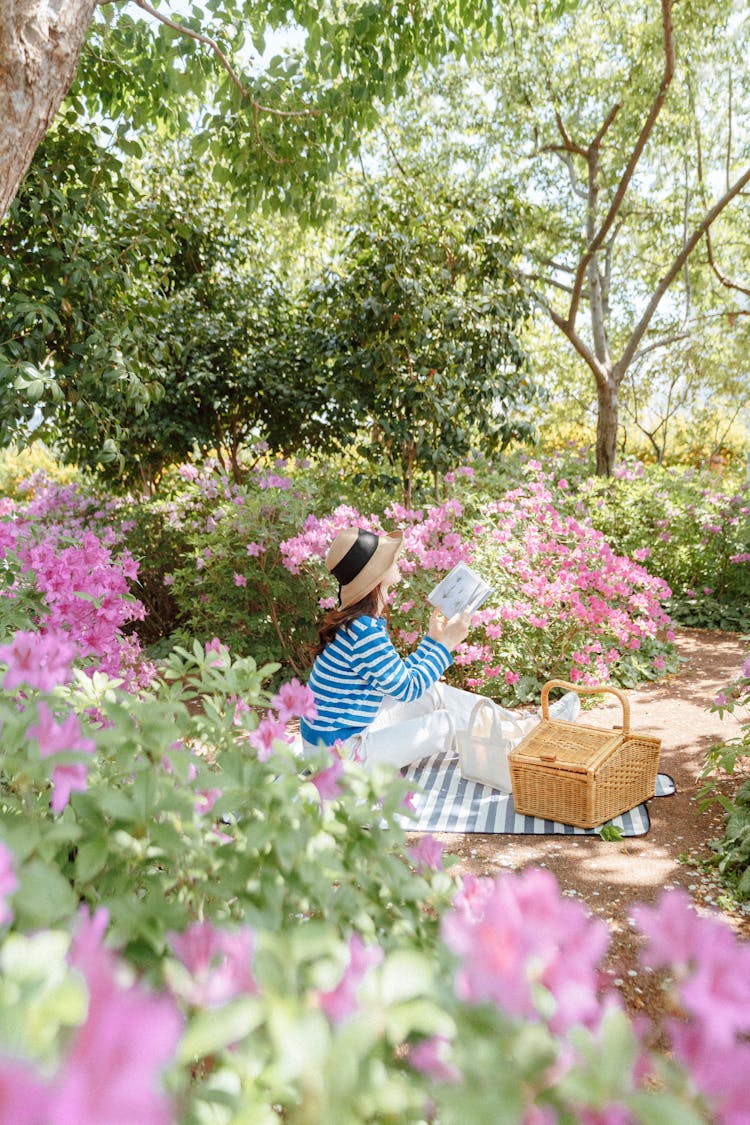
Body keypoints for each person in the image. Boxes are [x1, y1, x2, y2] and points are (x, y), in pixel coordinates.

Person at [300, 525, 580, 771]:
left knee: (433, 693)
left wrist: (433, 640)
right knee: (443, 724)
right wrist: (447, 643)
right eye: (386, 559)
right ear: (377, 577)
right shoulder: (363, 629)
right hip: (341, 759)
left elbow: (400, 679)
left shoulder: (358, 623)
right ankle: (532, 735)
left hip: (341, 742)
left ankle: (528, 724)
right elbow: (407, 690)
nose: (395, 559)